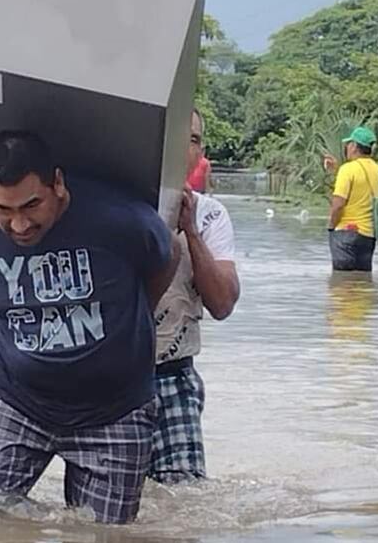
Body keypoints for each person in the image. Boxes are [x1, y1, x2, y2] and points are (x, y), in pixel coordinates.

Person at [0, 130, 178, 524]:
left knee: (107, 534)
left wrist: (135, 318)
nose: (19, 224)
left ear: (57, 182)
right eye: (3, 209)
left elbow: (165, 259)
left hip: (115, 410)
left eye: (31, 205)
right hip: (13, 401)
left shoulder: (123, 220)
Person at [149, 109, 240, 485]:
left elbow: (223, 304)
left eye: (195, 140)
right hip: (106, 378)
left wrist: (189, 230)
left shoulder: (209, 215)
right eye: (178, 137)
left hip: (172, 376)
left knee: (181, 498)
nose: (186, 148)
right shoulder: (110, 207)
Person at [325, 126, 378, 271]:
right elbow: (360, 186)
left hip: (346, 233)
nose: (347, 148)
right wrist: (337, 171)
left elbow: (338, 205)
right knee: (362, 282)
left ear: (355, 147)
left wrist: (331, 226)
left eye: (349, 144)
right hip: (368, 235)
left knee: (342, 283)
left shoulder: (348, 169)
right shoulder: (377, 169)